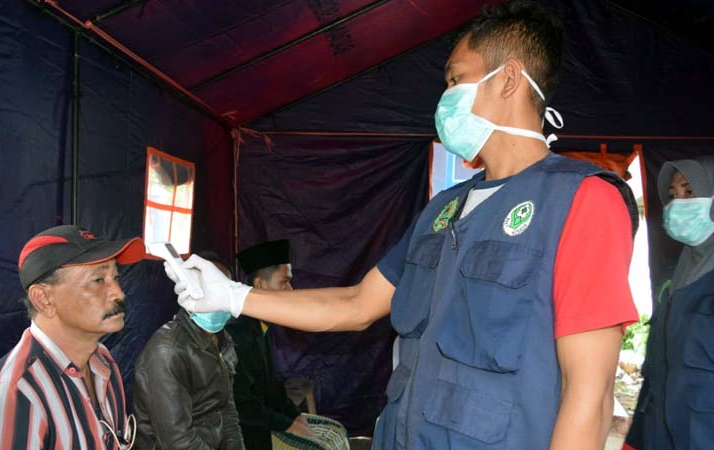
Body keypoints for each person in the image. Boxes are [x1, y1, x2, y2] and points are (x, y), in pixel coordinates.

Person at [171, 1, 640, 449]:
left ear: (509, 80)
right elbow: (357, 304)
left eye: (456, 80)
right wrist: (234, 296)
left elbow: (590, 396)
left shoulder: (581, 200)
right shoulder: (444, 209)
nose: (444, 99)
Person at [0, 225, 146, 450]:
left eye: (116, 277)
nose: (119, 293)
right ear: (43, 299)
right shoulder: (14, 395)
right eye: (98, 281)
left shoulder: (103, 363)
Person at [624, 158, 714, 450]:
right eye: (673, 194)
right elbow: (658, 372)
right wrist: (636, 439)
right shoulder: (673, 279)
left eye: (689, 192)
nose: (678, 203)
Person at [132, 253, 244, 450]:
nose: (216, 298)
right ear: (189, 291)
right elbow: (178, 441)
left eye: (222, 289)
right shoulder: (168, 351)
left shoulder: (224, 341)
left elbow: (227, 412)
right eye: (207, 290)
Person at [225, 240, 316, 450]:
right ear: (260, 285)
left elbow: (271, 387)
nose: (291, 291)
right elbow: (242, 406)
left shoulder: (261, 326)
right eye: (284, 282)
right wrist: (288, 425)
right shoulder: (238, 334)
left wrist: (295, 417)